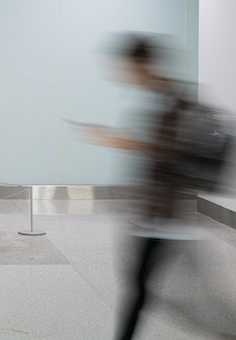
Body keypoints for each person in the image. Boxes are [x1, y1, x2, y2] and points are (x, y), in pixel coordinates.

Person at [76, 34, 191, 339]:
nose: (123, 74)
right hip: (154, 214)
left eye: (126, 66)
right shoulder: (165, 94)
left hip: (160, 216)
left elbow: (160, 148)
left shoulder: (167, 98)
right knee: (141, 285)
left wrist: (113, 139)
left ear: (140, 64)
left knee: (142, 286)